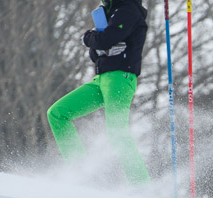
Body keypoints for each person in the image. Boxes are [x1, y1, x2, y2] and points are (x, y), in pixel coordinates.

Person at [47, 0, 150, 185]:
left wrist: (89, 37)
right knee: (57, 113)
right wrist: (99, 44)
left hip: (120, 78)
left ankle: (141, 184)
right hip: (101, 79)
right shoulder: (108, 11)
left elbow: (103, 40)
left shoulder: (128, 10)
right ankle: (80, 172)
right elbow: (96, 53)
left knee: (116, 132)